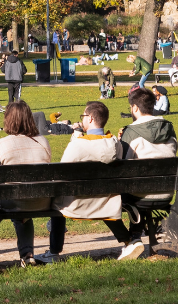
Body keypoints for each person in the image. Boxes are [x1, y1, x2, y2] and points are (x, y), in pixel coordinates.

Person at [103, 88, 178, 259]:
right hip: (166, 194)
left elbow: (122, 166)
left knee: (107, 196)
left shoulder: (131, 132)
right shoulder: (169, 128)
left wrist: (121, 143)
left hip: (138, 195)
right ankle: (136, 237)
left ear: (135, 108)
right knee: (139, 188)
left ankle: (132, 240)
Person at [0, 102, 63, 268]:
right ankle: (28, 254)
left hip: (14, 201)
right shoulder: (43, 141)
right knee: (23, 207)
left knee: (17, 206)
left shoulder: (1, 145)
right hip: (43, 200)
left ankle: (26, 253)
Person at [51, 101, 122, 264]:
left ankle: (54, 250)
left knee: (56, 199)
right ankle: (127, 239)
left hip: (76, 204)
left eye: (83, 116)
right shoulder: (116, 144)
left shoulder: (78, 145)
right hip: (107, 202)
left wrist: (75, 137)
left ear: (90, 119)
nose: (81, 120)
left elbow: (62, 172)